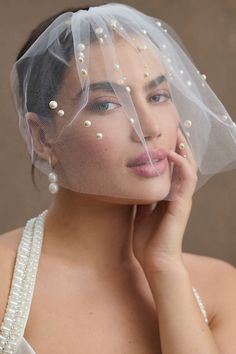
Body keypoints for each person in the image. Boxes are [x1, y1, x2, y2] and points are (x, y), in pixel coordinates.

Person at [0, 3, 236, 353]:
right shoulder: (4, 279)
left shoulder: (221, 288)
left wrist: (165, 268)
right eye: (107, 104)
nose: (150, 128)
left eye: (158, 96)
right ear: (42, 138)